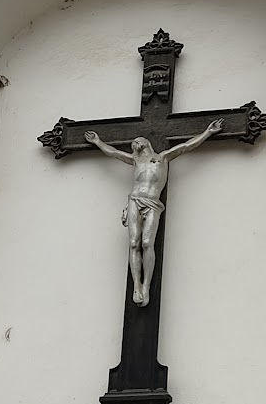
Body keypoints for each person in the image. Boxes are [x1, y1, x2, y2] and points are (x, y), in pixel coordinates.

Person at [84, 119, 223, 305]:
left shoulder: (163, 157)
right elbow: (114, 153)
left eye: (138, 140)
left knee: (147, 242)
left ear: (147, 142)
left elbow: (186, 146)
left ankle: (146, 286)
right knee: (134, 243)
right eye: (133, 143)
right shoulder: (135, 160)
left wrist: (208, 132)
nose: (135, 143)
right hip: (134, 199)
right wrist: (97, 142)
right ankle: (136, 286)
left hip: (152, 202)